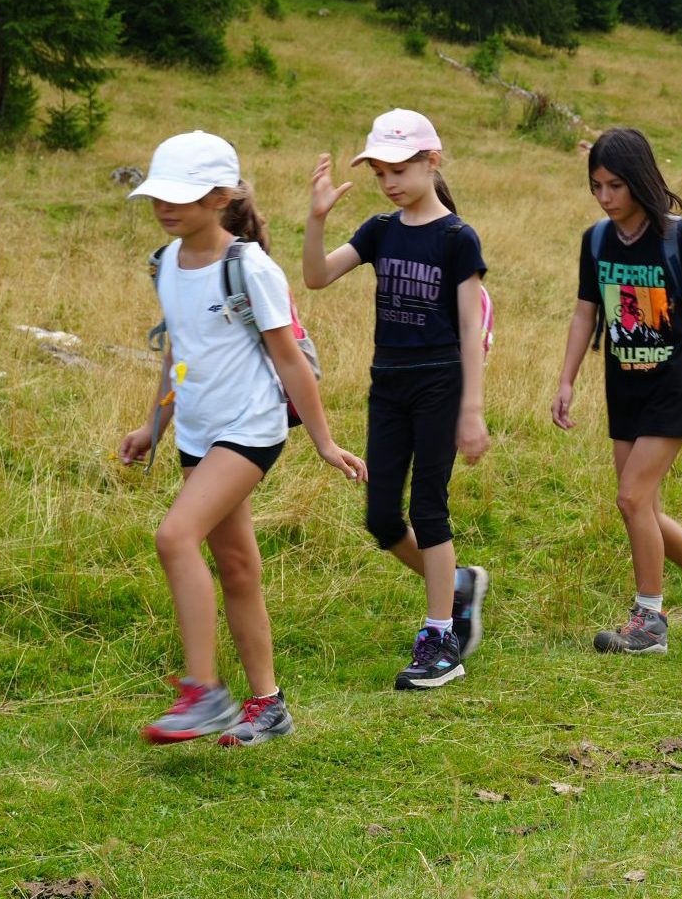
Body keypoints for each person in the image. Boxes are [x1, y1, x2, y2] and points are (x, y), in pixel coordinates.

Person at [119, 131, 366, 746]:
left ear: (221, 195)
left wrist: (324, 443)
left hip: (250, 430)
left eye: (182, 195)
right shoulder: (167, 263)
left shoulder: (250, 266)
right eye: (158, 196)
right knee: (237, 567)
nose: (166, 207)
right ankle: (269, 705)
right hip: (198, 435)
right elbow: (179, 354)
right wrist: (154, 426)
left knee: (175, 537)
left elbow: (290, 363)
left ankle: (203, 693)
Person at [302, 111, 491, 691]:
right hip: (388, 383)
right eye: (381, 172)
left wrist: (472, 409)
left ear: (432, 162)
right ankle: (457, 586)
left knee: (428, 509)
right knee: (382, 517)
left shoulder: (458, 238)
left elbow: (469, 325)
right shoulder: (380, 230)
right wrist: (316, 220)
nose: (389, 182)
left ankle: (441, 641)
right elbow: (315, 278)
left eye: (400, 169)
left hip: (441, 382)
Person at [552, 129, 682, 654]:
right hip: (624, 388)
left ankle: (649, 622)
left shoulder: (677, 239)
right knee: (641, 507)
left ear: (640, 181)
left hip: (673, 386)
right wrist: (567, 379)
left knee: (632, 496)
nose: (606, 197)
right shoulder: (596, 240)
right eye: (596, 186)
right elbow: (584, 311)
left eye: (615, 185)